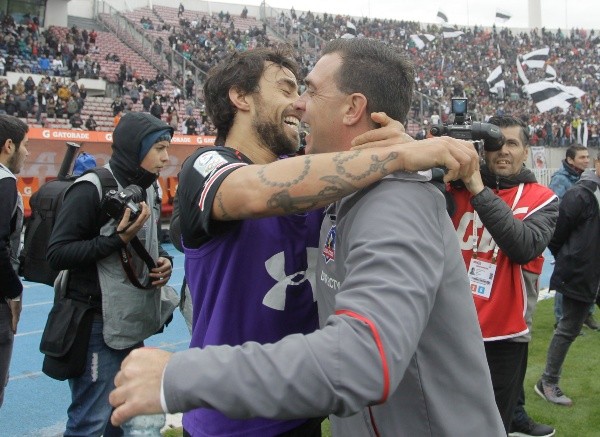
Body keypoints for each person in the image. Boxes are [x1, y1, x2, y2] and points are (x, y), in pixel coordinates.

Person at [110, 39, 504, 436]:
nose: (299, 102)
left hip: (306, 403)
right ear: (240, 97)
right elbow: (252, 192)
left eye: (306, 90)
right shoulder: (209, 165)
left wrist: (392, 145)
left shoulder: (328, 175)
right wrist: (400, 154)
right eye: (286, 89)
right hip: (230, 415)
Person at [46, 112, 178, 435]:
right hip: (94, 322)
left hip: (128, 320)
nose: (166, 157)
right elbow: (57, 254)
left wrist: (162, 261)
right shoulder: (90, 188)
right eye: (159, 148)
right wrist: (114, 241)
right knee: (91, 421)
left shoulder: (147, 188)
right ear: (135, 148)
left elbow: (148, 243)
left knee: (121, 416)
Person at [448, 115, 558, 434]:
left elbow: (522, 246)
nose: (504, 151)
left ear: (526, 151)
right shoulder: (452, 187)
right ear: (483, 149)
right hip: (449, 326)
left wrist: (477, 188)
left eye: (512, 143)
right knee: (448, 417)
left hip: (504, 332)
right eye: (496, 143)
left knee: (494, 422)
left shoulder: (542, 198)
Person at [535, 154, 600, 407]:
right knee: (568, 328)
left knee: (570, 327)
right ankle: (547, 382)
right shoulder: (580, 194)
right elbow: (555, 233)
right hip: (581, 272)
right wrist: (572, 259)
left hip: (592, 272)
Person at [548, 145, 597, 331]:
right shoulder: (561, 180)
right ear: (570, 160)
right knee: (566, 278)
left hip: (584, 238)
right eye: (582, 157)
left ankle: (586, 315)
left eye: (587, 157)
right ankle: (562, 319)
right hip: (567, 237)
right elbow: (555, 209)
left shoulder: (584, 179)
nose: (587, 160)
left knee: (588, 276)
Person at [0, 115, 28, 408]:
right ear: (9, 145)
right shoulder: (4, 181)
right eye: (25, 145)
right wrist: (13, 292)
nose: (27, 153)